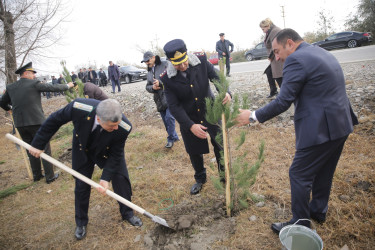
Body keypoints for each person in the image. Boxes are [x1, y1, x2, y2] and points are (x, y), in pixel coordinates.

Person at [235, 28, 358, 234]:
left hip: (321, 129)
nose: (276, 57)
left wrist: (252, 116)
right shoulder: (321, 52)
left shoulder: (296, 60)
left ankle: (300, 223)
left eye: (276, 51)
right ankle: (318, 211)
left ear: (289, 43)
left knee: (299, 173)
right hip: (341, 124)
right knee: (325, 170)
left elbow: (284, 100)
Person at [28, 98, 143, 240]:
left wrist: (105, 178)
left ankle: (128, 213)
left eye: (117, 124)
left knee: (121, 179)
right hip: (83, 149)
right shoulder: (79, 107)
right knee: (81, 185)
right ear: (99, 119)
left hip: (107, 151)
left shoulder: (124, 127)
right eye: (112, 126)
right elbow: (54, 120)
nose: (116, 128)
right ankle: (81, 222)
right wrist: (38, 143)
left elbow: (116, 154)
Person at [160, 39, 232, 195]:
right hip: (189, 117)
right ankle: (200, 178)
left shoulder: (201, 60)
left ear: (187, 55)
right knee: (194, 150)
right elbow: (174, 106)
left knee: (219, 145)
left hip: (210, 111)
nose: (183, 66)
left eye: (184, 61)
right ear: (171, 62)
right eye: (178, 64)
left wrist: (225, 91)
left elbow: (216, 77)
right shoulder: (167, 78)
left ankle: (223, 175)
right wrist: (190, 125)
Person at [0, 62, 74, 183]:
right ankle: (50, 176)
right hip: (36, 122)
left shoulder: (11, 87)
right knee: (44, 148)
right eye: (33, 74)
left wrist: (9, 109)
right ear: (26, 73)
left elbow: (2, 103)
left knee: (30, 149)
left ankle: (37, 175)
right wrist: (67, 86)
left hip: (20, 124)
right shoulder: (34, 84)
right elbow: (51, 88)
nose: (34, 76)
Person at [141, 51, 179, 148]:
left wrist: (161, 83)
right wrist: (153, 88)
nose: (146, 63)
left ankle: (170, 139)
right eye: (145, 61)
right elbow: (147, 87)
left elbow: (173, 77)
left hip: (169, 96)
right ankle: (174, 137)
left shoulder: (165, 64)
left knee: (169, 118)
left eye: (147, 60)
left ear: (153, 57)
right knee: (166, 121)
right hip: (158, 100)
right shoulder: (149, 71)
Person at [260, 18, 284, 98]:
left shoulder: (275, 31)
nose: (262, 31)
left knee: (278, 75)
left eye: (263, 29)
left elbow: (275, 46)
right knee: (269, 72)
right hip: (274, 57)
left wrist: (270, 56)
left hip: (278, 56)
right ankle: (274, 91)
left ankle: (284, 93)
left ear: (268, 26)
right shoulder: (270, 31)